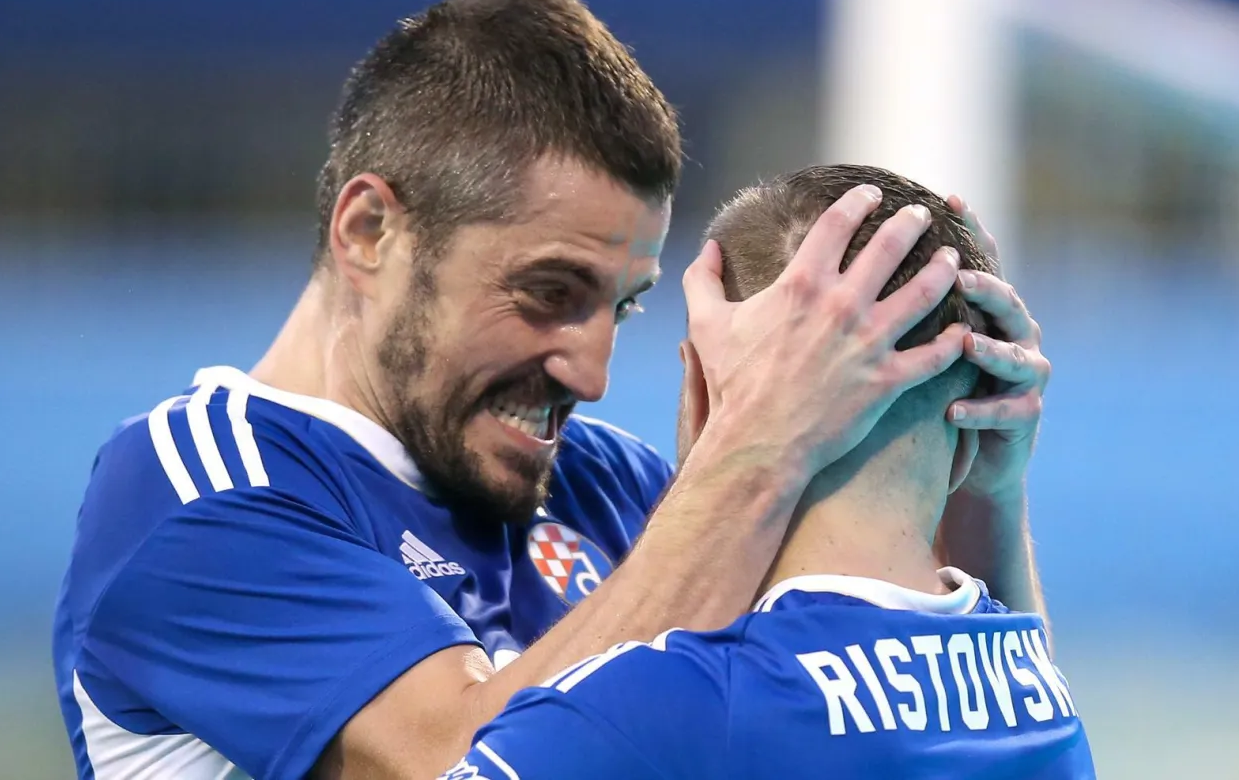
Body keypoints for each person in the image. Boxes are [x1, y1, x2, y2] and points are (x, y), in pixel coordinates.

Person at [52, 0, 1049, 780]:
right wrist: (753, 455)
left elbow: (903, 720)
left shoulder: (608, 483)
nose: (593, 371)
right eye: (548, 291)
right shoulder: (202, 492)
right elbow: (463, 760)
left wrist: (978, 500)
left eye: (621, 305)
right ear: (369, 232)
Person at [441, 165, 1086, 780]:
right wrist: (994, 497)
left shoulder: (658, 706)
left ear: (700, 391)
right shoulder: (1043, 710)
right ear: (975, 441)